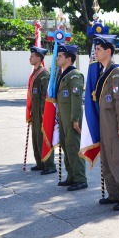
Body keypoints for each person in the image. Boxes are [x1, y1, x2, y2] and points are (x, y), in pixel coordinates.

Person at [94, 35, 119, 211]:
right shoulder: (103, 72)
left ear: (108, 51)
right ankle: (114, 194)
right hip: (105, 124)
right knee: (107, 159)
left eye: (98, 49)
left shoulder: (117, 73)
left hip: (116, 124)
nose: (95, 52)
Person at [55, 44, 87, 191]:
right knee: (67, 148)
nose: (57, 57)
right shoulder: (63, 75)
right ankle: (71, 176)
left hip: (72, 119)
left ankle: (80, 179)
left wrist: (75, 120)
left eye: (60, 56)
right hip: (63, 118)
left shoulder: (75, 75)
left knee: (74, 147)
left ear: (69, 58)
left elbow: (76, 99)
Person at [27, 46, 56, 175]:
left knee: (43, 137)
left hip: (42, 112)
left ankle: (49, 164)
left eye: (32, 56)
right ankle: (40, 162)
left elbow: (46, 96)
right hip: (35, 112)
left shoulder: (44, 75)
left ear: (39, 58)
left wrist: (44, 113)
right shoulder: (34, 73)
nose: (30, 58)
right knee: (36, 137)